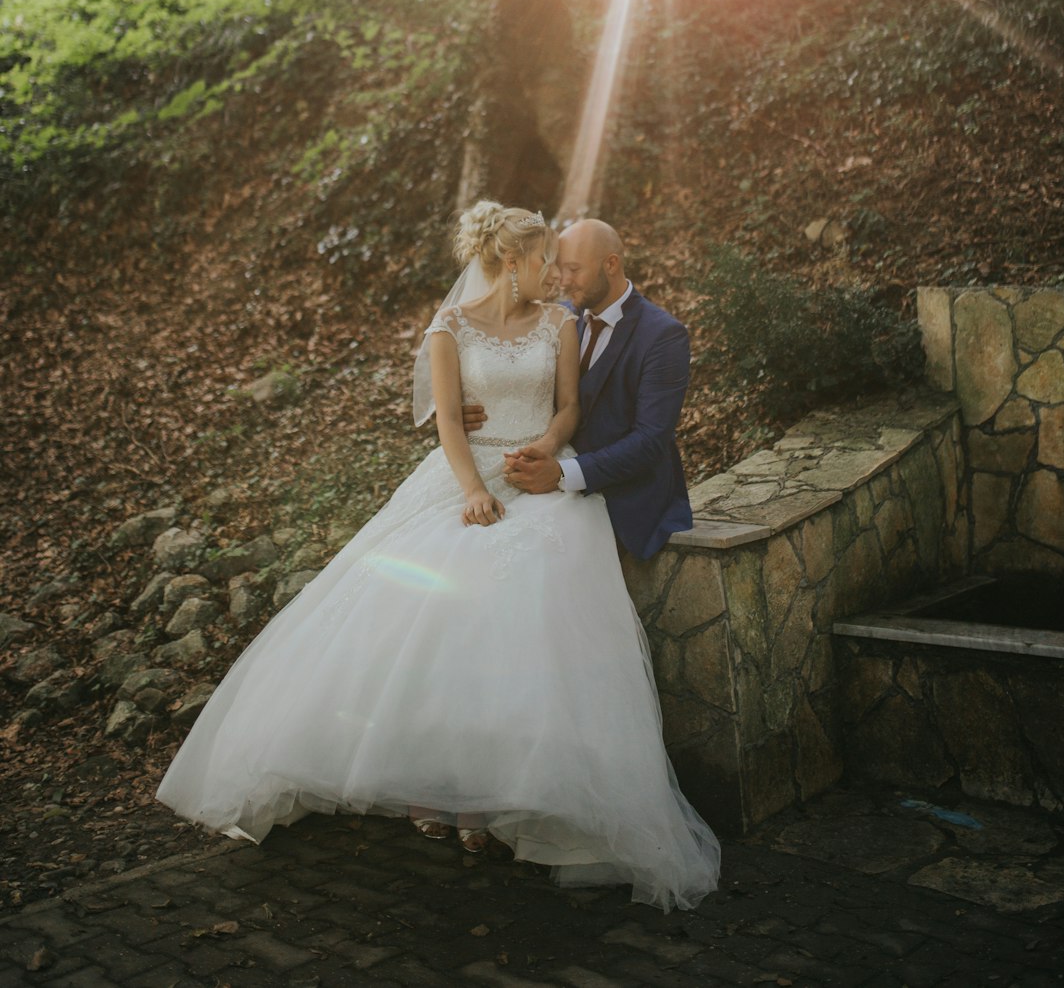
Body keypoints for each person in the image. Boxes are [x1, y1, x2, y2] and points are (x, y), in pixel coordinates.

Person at [154, 201, 720, 911]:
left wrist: (547, 449)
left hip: (543, 478)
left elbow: (572, 408)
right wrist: (470, 488)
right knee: (422, 611)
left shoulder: (564, 324)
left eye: (563, 262)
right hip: (467, 477)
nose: (555, 272)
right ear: (513, 262)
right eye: (548, 259)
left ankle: (498, 798)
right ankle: (437, 786)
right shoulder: (449, 327)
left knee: (528, 607)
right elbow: (449, 418)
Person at [470, 218, 694, 562]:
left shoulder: (662, 336)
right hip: (541, 473)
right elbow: (507, 375)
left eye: (574, 269)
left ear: (611, 264)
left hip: (624, 491)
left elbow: (651, 438)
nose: (563, 279)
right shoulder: (557, 318)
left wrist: (563, 474)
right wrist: (466, 408)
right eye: (559, 268)